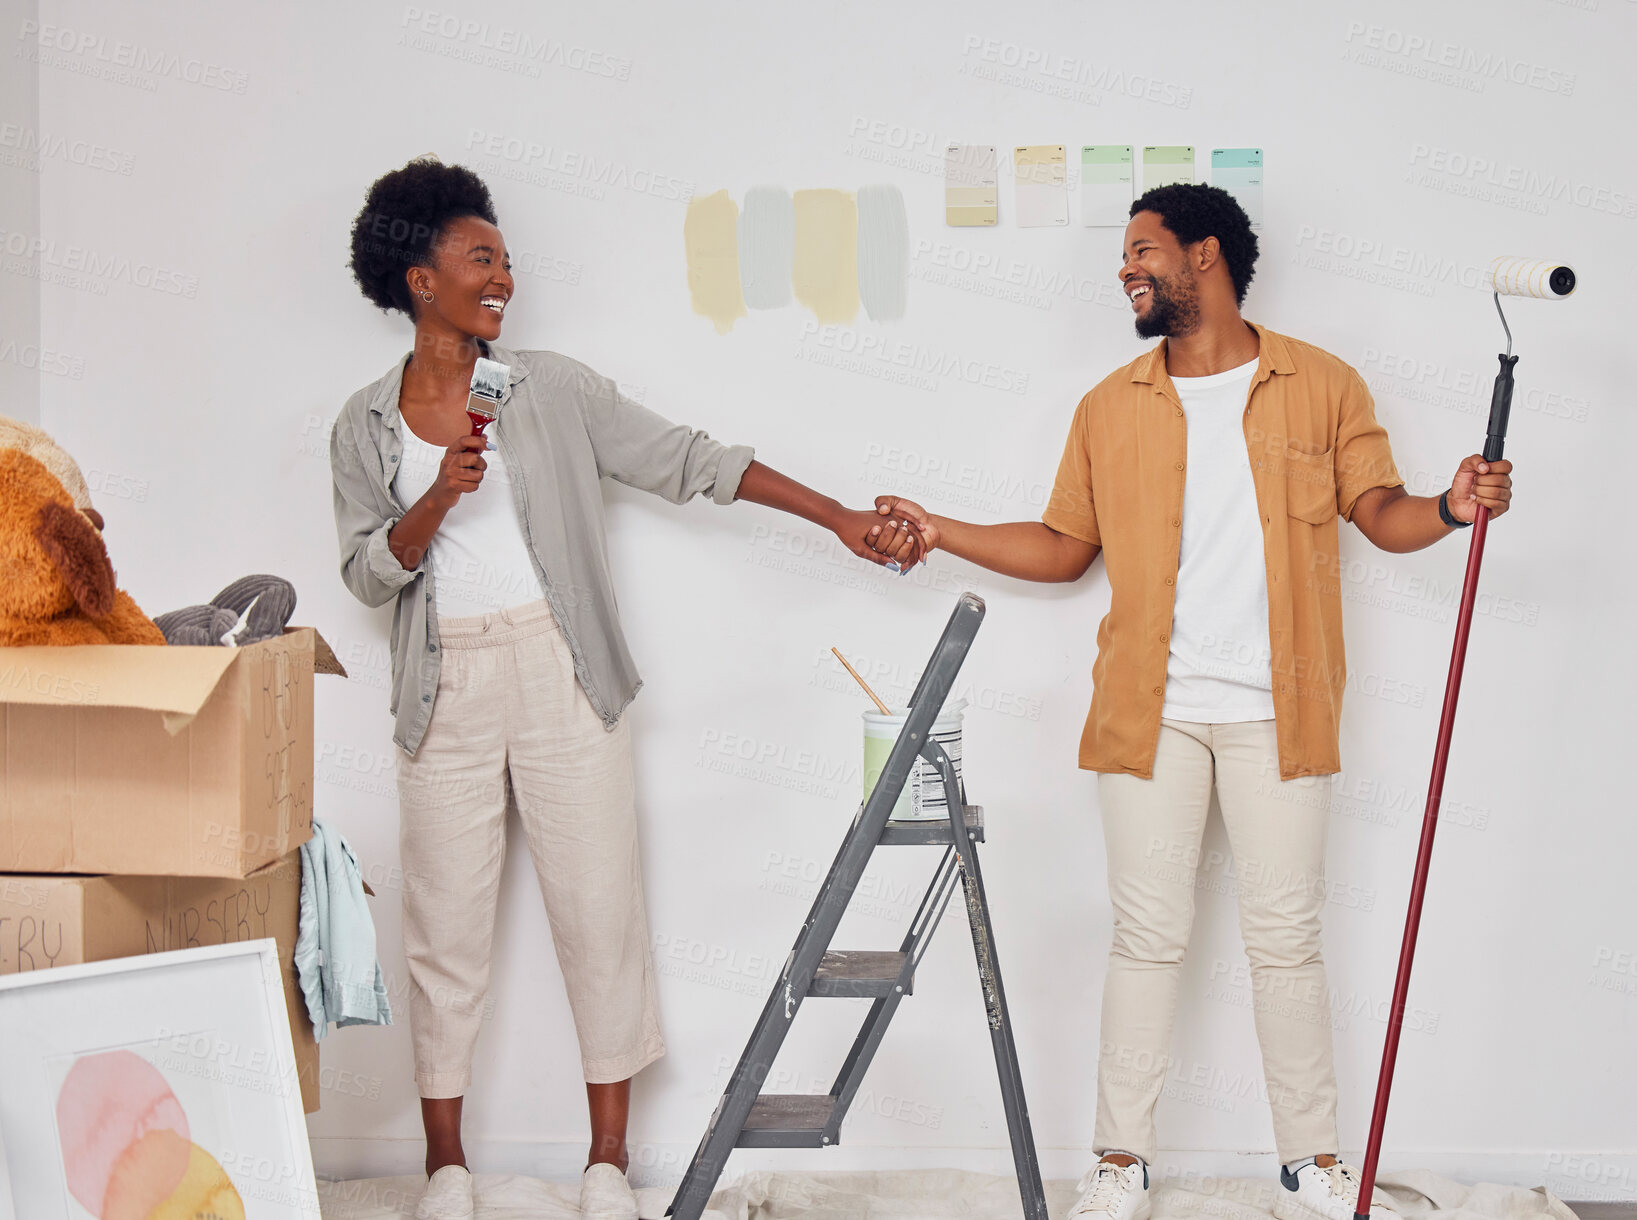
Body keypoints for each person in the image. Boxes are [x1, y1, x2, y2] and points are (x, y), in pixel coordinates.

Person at [869, 183, 1513, 1220]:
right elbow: (1062, 547)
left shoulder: (1321, 385)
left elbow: (1380, 515)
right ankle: (1118, 1162)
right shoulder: (1107, 404)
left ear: (1202, 255)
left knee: (1285, 940)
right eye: (1123, 254)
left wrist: (1448, 505)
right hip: (1147, 711)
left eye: (1141, 250)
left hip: (1279, 713)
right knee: (1146, 935)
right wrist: (941, 527)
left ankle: (1311, 1164)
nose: (1124, 269)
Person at [329, 157, 922, 1220]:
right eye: (479, 257)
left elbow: (688, 458)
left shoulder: (548, 387)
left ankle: (606, 1162)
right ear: (418, 277)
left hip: (563, 672)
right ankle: (446, 1169)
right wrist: (435, 501)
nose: (502, 275)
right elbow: (368, 570)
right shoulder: (363, 426)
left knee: (598, 909)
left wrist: (834, 515)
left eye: (506, 259)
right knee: (441, 927)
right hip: (443, 685)